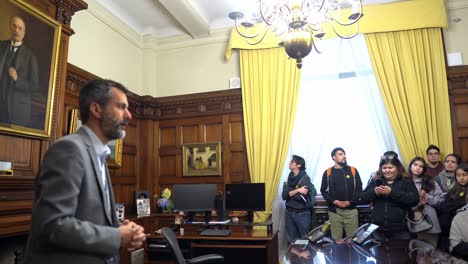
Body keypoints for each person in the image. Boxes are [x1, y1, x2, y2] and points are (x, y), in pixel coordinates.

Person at [22, 79, 146, 263]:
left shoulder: (99, 155)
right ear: (96, 109)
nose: (129, 115)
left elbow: (87, 216)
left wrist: (122, 229)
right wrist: (117, 237)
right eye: (121, 107)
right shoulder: (69, 149)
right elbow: (52, 225)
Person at [360, 154, 419, 242]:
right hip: (378, 229)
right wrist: (374, 192)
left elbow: (414, 200)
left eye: (390, 168)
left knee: (401, 255)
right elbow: (362, 198)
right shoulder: (375, 180)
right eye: (384, 168)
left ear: (397, 168)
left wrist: (392, 193)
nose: (387, 171)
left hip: (401, 229)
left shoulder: (406, 181)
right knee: (380, 255)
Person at [0, 15, 39, 127]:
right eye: (14, 26)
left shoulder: (31, 56)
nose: (16, 30)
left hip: (17, 110)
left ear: (24, 34)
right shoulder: (0, 46)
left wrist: (17, 79)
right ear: (10, 27)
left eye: (20, 28)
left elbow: (34, 86)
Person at [320, 147, 362, 241]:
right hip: (335, 212)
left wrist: (350, 202)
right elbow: (323, 190)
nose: (344, 156)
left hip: (351, 211)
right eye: (340, 154)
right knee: (337, 241)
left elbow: (359, 189)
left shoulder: (353, 170)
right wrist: (334, 201)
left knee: (352, 240)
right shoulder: (328, 172)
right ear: (333, 157)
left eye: (344, 154)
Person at [408, 157, 444, 247]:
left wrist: (426, 197)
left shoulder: (430, 181)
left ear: (424, 169)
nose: (418, 168)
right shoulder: (404, 182)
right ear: (410, 166)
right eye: (415, 165)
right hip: (409, 221)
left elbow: (441, 200)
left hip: (430, 222)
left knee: (430, 252)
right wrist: (415, 204)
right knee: (414, 254)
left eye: (421, 166)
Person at [282, 155, 317, 244]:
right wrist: (297, 190)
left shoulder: (305, 178)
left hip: (302, 213)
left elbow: (300, 197)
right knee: (291, 240)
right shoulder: (288, 178)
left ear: (299, 165)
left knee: (305, 239)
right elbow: (284, 196)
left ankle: (305, 257)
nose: (289, 163)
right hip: (289, 212)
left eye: (292, 162)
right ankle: (293, 257)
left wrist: (290, 193)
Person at [438, 163, 468, 252]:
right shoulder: (454, 189)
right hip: (450, 222)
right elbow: (443, 207)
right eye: (458, 175)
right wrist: (461, 203)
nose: (461, 178)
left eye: (464, 175)